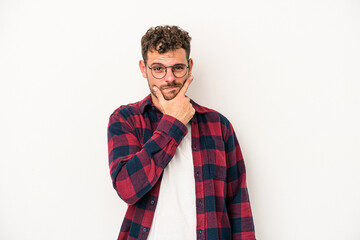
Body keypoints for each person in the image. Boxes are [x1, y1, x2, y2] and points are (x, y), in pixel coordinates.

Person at [107, 25, 255, 240]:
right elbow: (127, 188)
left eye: (177, 68)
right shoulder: (126, 119)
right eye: (158, 68)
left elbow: (238, 201)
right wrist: (173, 123)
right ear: (143, 68)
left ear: (189, 66)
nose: (169, 78)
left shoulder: (218, 125)